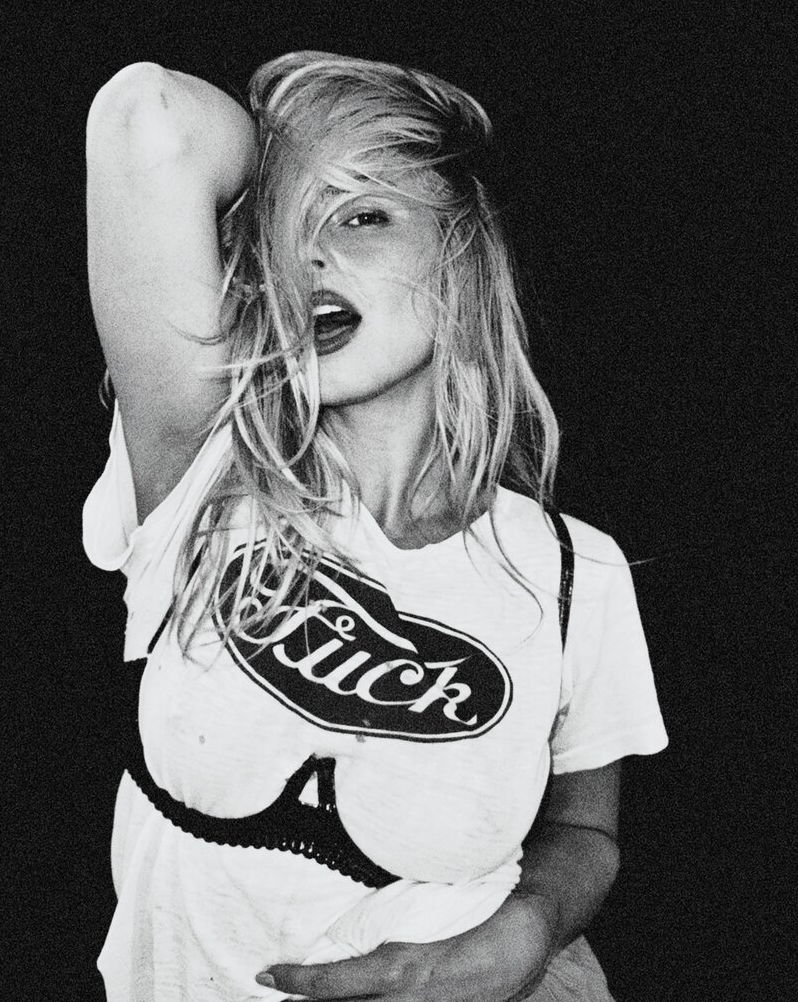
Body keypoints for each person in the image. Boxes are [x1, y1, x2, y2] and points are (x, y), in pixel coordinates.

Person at [83, 52, 667, 1002]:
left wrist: (526, 931)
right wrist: (277, 148)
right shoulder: (200, 471)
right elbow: (146, 114)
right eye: (280, 228)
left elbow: (583, 832)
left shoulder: (576, 572)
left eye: (361, 215)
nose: (307, 257)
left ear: (461, 254)